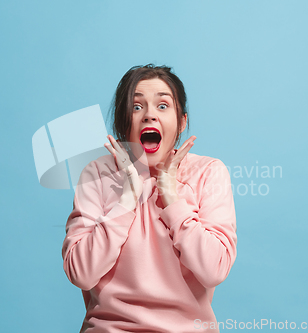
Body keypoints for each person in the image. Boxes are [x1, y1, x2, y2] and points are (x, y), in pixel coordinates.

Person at [62, 64, 237, 332]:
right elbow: (81, 273)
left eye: (163, 106)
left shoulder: (208, 172)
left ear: (182, 122)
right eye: (136, 107)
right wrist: (127, 200)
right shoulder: (97, 173)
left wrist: (172, 200)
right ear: (123, 123)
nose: (149, 115)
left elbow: (214, 270)